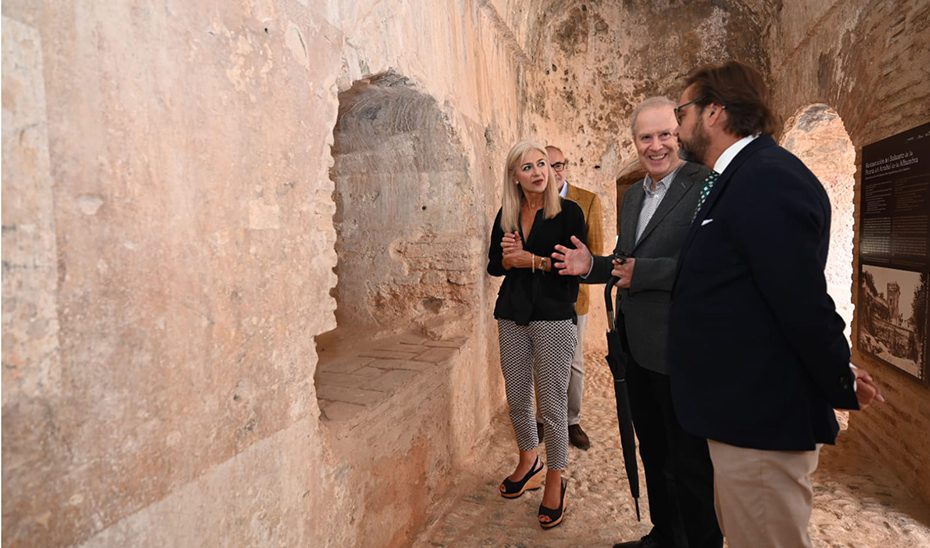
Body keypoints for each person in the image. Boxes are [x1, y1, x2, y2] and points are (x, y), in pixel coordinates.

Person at [670, 60, 884, 548]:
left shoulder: (766, 179)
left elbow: (800, 299)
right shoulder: (741, 176)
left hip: (760, 417)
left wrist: (838, 376)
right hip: (739, 412)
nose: (677, 126)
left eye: (683, 111)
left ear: (715, 112)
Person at [552, 97, 722, 548]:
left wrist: (642, 273)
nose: (656, 145)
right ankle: (665, 534)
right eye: (645, 137)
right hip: (637, 349)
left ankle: (700, 542)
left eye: (665, 134)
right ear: (635, 142)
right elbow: (624, 263)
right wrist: (591, 264)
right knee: (654, 450)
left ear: (680, 134)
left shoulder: (706, 185)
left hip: (683, 349)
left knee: (691, 461)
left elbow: (714, 262)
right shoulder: (632, 197)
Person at [487, 140, 587, 529]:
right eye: (527, 167)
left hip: (553, 315)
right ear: (515, 176)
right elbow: (495, 266)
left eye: (542, 164)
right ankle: (529, 459)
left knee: (552, 404)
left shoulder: (569, 213)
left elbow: (574, 268)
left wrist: (530, 260)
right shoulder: (507, 213)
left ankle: (555, 479)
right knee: (516, 395)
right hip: (512, 313)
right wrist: (508, 254)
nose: (537, 172)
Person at [532, 144, 604, 451]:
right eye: (548, 165)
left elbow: (596, 251)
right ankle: (542, 418)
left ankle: (571, 420)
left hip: (574, 298)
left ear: (565, 167)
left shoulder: (587, 201)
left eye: (560, 164)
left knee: (572, 361)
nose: (555, 170)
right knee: (540, 359)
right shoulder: (530, 201)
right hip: (539, 295)